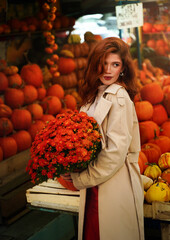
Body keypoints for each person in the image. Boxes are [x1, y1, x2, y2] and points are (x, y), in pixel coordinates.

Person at [62, 37, 144, 240]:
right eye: (104, 63)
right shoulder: (95, 94)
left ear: (123, 68)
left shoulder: (119, 97)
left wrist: (80, 179)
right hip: (96, 184)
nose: (108, 70)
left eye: (115, 64)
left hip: (112, 185)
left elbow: (115, 153)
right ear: (95, 64)